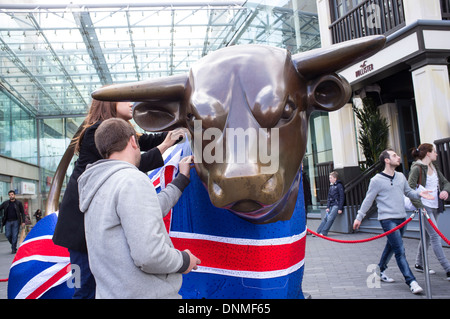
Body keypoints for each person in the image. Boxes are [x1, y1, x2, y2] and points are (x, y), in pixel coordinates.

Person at [53, 99, 184, 299]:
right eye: (124, 98)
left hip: (97, 225)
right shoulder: (96, 133)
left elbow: (147, 141)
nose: (131, 103)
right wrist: (166, 145)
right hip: (80, 229)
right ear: (108, 103)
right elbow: (131, 163)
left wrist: (175, 131)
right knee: (84, 289)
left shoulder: (114, 135)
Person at [78, 118, 200, 298]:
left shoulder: (98, 185)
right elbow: (150, 256)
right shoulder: (131, 180)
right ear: (133, 141)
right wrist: (184, 260)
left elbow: (150, 210)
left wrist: (181, 179)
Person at [353, 149, 434, 294]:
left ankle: (379, 271)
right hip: (387, 220)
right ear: (387, 160)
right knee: (400, 250)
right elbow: (368, 200)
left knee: (391, 246)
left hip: (402, 218)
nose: (398, 157)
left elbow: (408, 192)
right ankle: (411, 281)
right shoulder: (376, 180)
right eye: (394, 155)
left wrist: (419, 193)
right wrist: (359, 217)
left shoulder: (401, 176)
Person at [408, 143, 450, 280]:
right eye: (434, 152)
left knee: (427, 236)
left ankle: (419, 264)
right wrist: (420, 206)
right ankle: (448, 268)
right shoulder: (417, 168)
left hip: (435, 206)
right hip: (424, 208)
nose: (436, 154)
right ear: (428, 153)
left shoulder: (434, 166)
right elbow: (409, 189)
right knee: (435, 236)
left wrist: (445, 191)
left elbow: (446, 182)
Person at [316, 171, 344, 236]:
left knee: (330, 218)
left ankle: (324, 232)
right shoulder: (331, 186)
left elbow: (342, 197)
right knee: (326, 218)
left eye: (331, 178)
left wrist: (340, 208)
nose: (329, 179)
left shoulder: (339, 186)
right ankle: (318, 231)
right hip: (331, 205)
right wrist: (328, 207)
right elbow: (329, 197)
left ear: (335, 178)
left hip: (336, 205)